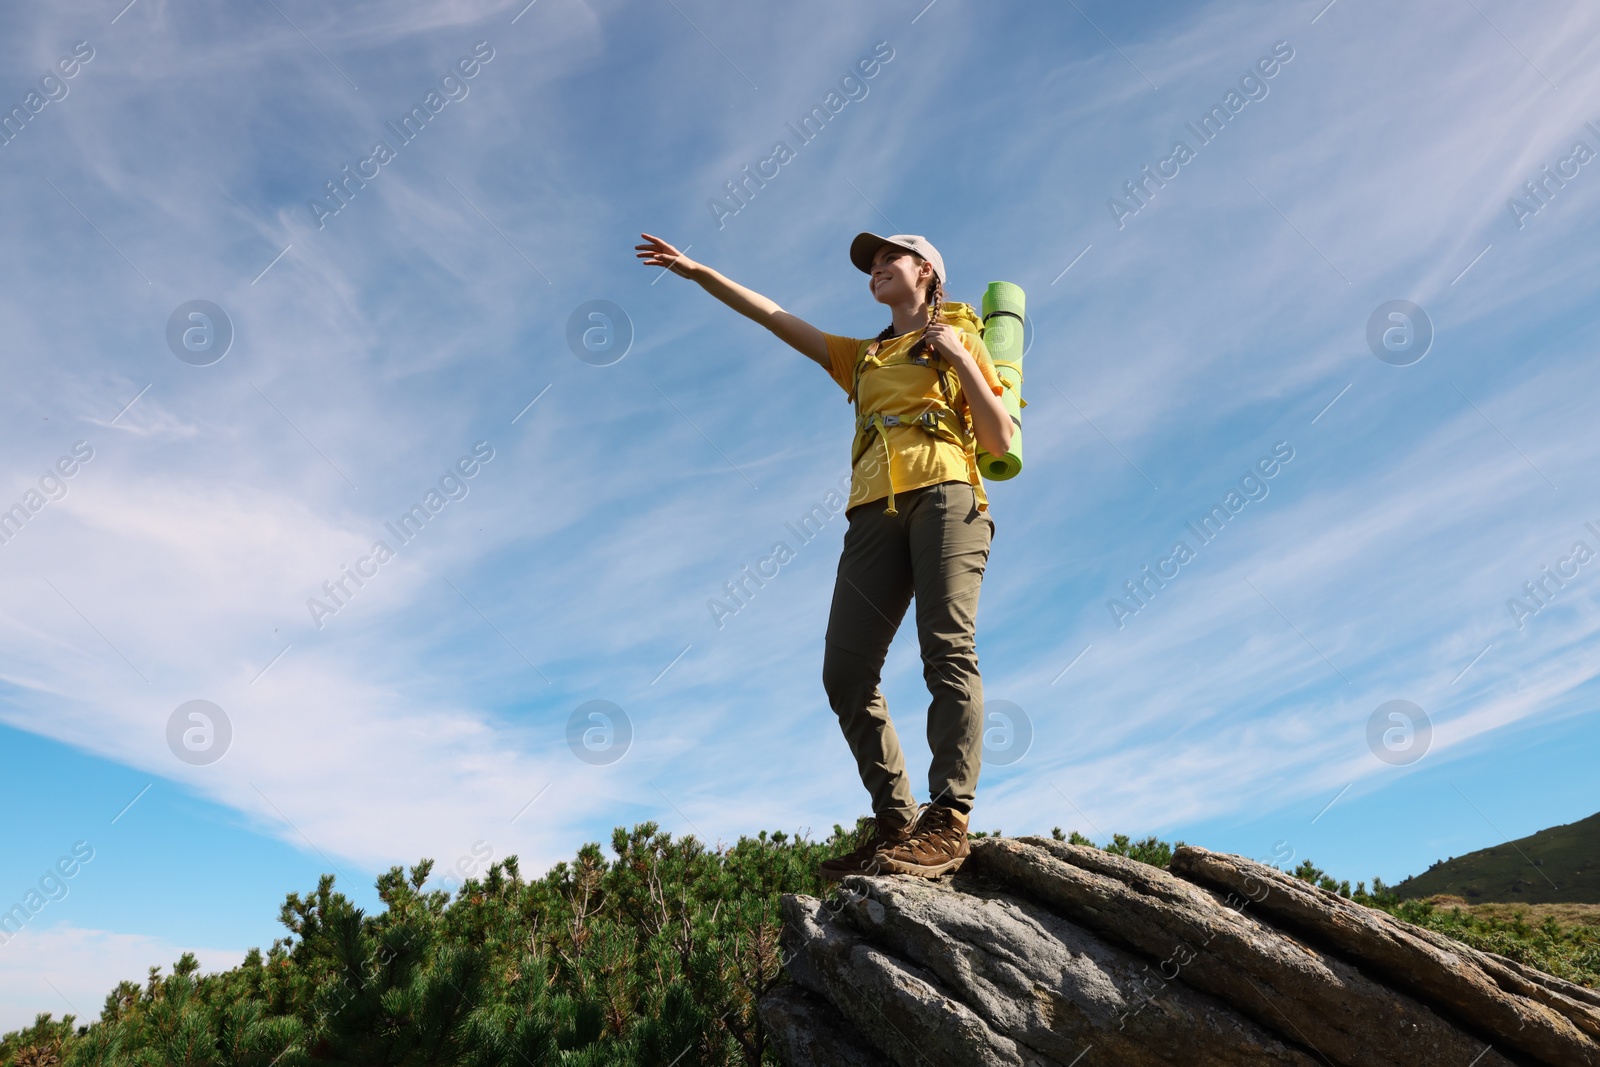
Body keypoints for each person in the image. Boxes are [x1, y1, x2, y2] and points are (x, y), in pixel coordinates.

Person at [635, 231, 1012, 879]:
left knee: (946, 648)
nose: (873, 270)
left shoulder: (958, 340)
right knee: (845, 671)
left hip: (949, 496)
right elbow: (774, 315)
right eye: (869, 265)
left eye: (886, 260)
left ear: (926, 271)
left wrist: (959, 356)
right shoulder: (861, 356)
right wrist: (698, 271)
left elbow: (1001, 435)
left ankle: (947, 819)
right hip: (872, 512)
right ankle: (896, 818)